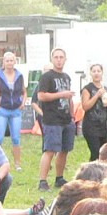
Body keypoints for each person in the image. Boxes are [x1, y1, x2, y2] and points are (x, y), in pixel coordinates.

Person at [36, 48, 75, 191]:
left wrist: (72, 115)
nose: (59, 60)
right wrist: (61, 94)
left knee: (64, 150)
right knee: (50, 150)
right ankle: (42, 181)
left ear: (65, 59)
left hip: (66, 118)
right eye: (56, 57)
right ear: (52, 59)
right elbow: (41, 96)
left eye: (61, 57)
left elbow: (69, 98)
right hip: (52, 119)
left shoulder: (66, 77)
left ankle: (59, 178)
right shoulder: (47, 77)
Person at [0, 51, 26, 170]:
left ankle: (17, 164)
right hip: (2, 110)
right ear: (3, 62)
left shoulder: (19, 75)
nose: (9, 63)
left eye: (11, 60)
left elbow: (24, 91)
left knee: (16, 138)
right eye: (7, 61)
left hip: (16, 111)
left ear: (15, 62)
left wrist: (23, 103)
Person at [80, 63, 107, 162]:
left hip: (104, 126)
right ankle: (91, 170)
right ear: (90, 73)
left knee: (104, 154)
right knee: (95, 153)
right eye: (94, 71)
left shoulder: (106, 89)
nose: (96, 73)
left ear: (102, 73)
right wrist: (97, 95)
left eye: (98, 71)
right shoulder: (87, 89)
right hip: (91, 125)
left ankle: (100, 170)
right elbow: (85, 106)